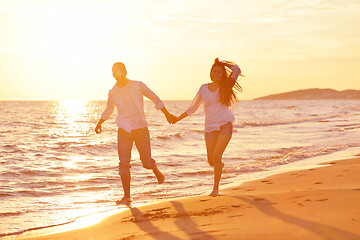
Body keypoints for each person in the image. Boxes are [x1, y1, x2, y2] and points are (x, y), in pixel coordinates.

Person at [95, 62, 177, 205]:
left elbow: (154, 98)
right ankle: (127, 197)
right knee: (123, 164)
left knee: (146, 163)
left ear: (125, 71)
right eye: (115, 71)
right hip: (124, 131)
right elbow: (109, 109)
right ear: (113, 75)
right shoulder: (112, 92)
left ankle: (154, 168)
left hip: (141, 129)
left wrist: (167, 114)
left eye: (120, 70)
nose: (118, 73)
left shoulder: (137, 85)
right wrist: (100, 122)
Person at [174, 58, 243, 196]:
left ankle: (215, 189)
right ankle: (219, 166)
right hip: (210, 127)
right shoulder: (204, 88)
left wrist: (223, 64)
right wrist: (177, 118)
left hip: (225, 125)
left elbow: (237, 70)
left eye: (219, 72)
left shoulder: (226, 86)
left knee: (217, 155)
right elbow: (192, 107)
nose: (216, 74)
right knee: (212, 161)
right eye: (214, 71)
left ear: (222, 74)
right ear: (210, 73)